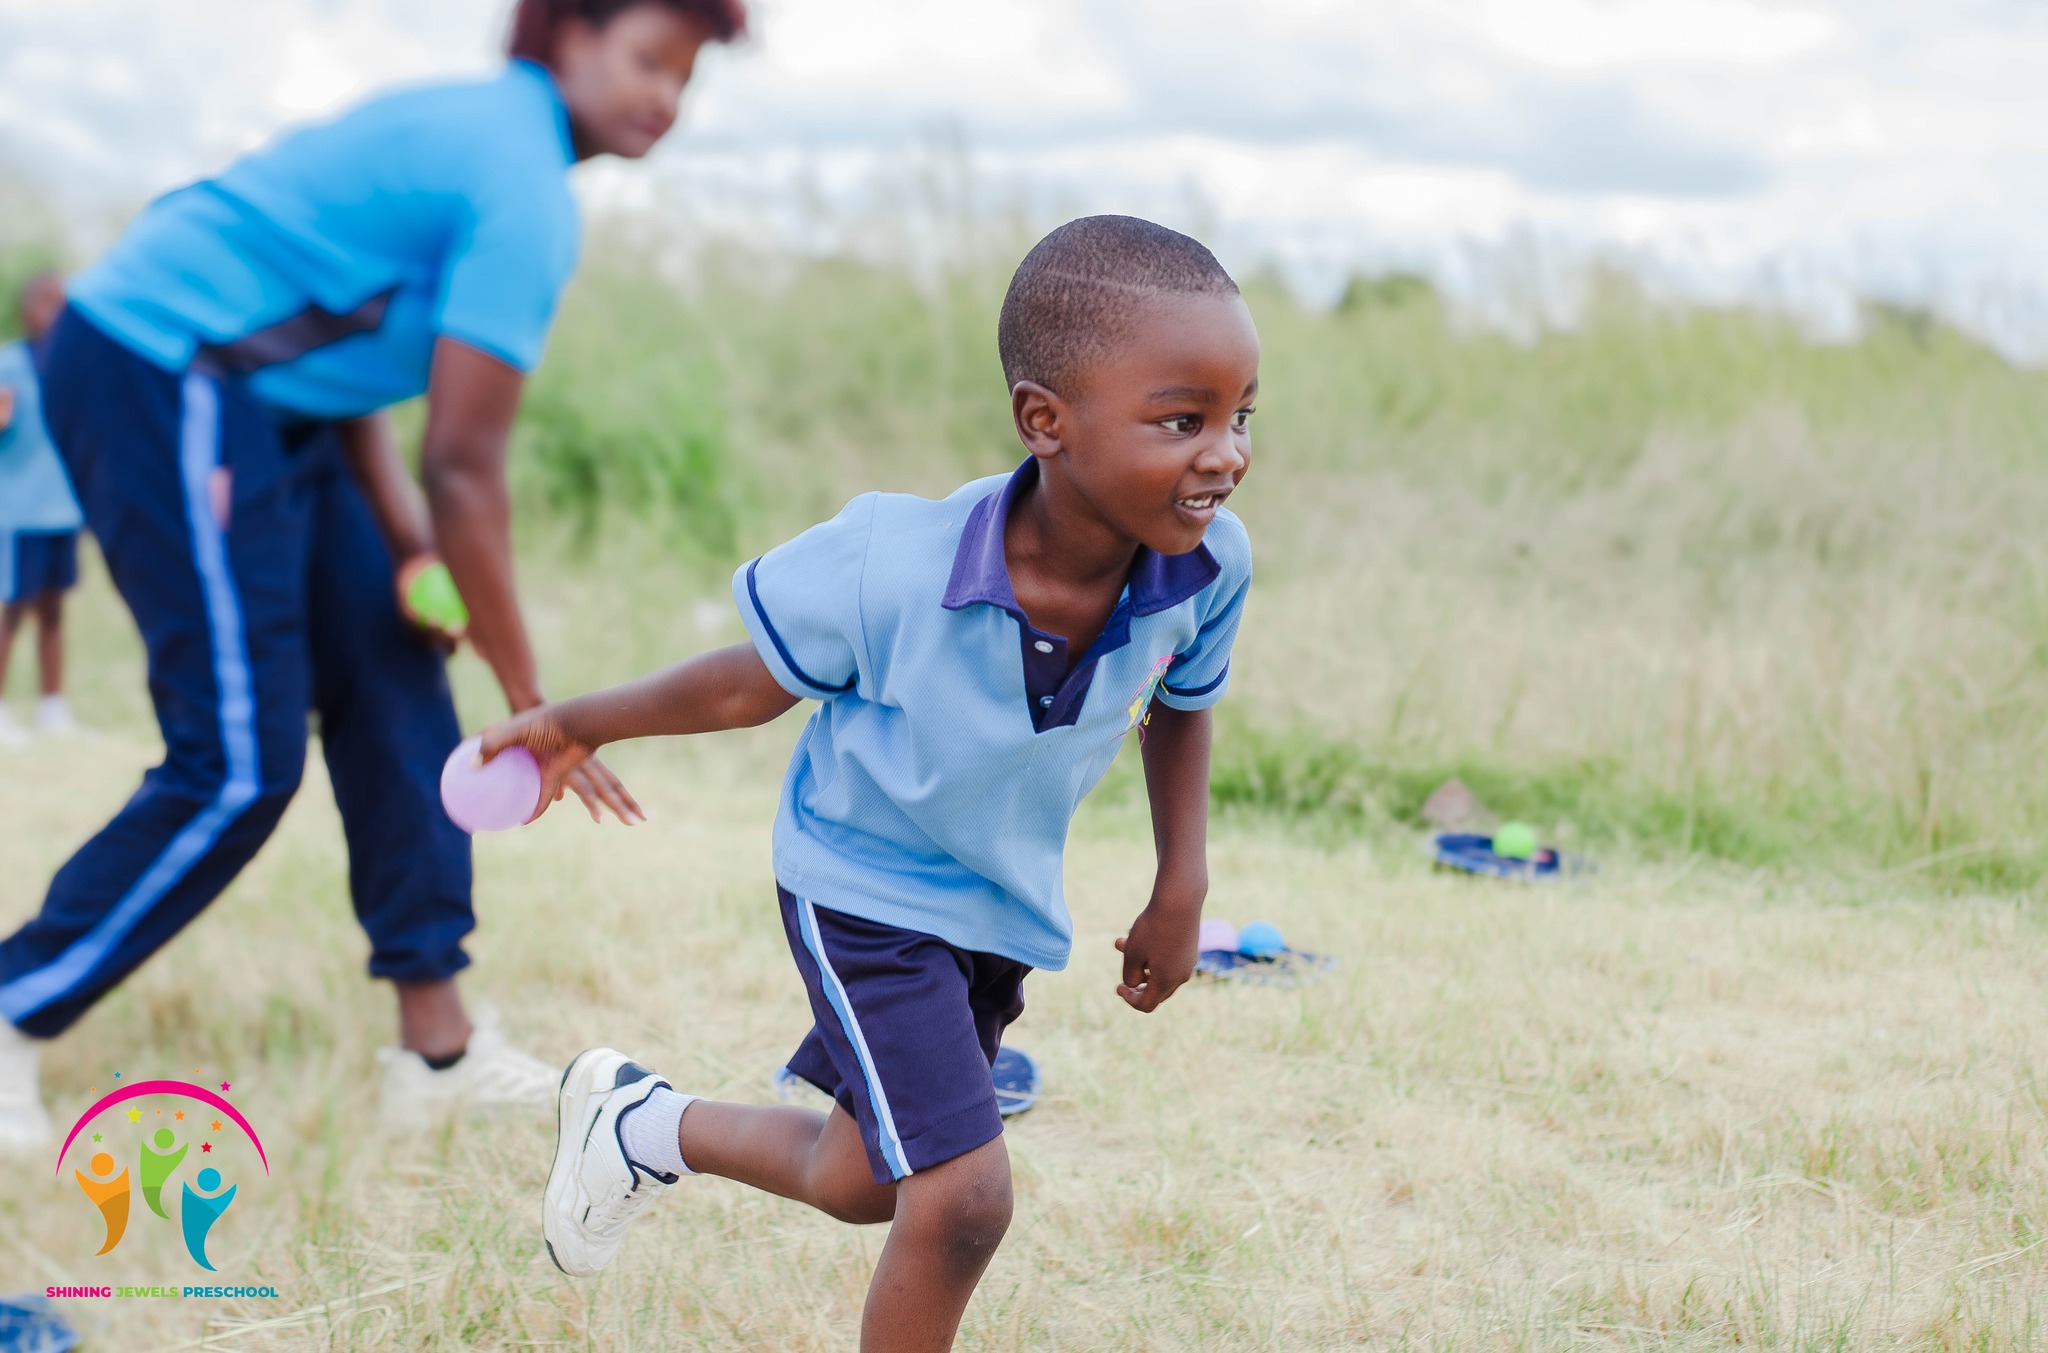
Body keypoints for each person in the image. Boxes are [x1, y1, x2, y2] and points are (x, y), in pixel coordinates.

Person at [486, 216, 1256, 1352]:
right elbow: (742, 688)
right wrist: (574, 722)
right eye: (1183, 420)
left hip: (994, 902)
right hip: (864, 887)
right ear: (1044, 421)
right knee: (964, 1198)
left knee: (863, 1179)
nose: (1224, 454)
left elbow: (1181, 706)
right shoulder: (893, 564)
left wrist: (1180, 884)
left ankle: (639, 1126)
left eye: (1242, 416)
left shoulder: (1207, 566)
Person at [0, 0, 750, 1154]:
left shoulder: (489, 140)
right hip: (161, 366)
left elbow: (339, 379)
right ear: (566, 35)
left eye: (685, 78)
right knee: (236, 760)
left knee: (393, 668)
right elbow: (464, 466)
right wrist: (534, 701)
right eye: (648, 59)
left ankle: (436, 1050)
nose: (666, 97)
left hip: (264, 403)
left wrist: (405, 552)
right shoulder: (518, 182)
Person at [0, 274, 84, 744]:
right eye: (47, 303)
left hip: (62, 508)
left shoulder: (66, 364)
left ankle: (53, 709)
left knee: (53, 610)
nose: (55, 314)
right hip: (18, 511)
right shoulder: (8, 364)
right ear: (26, 309)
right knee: (11, 612)